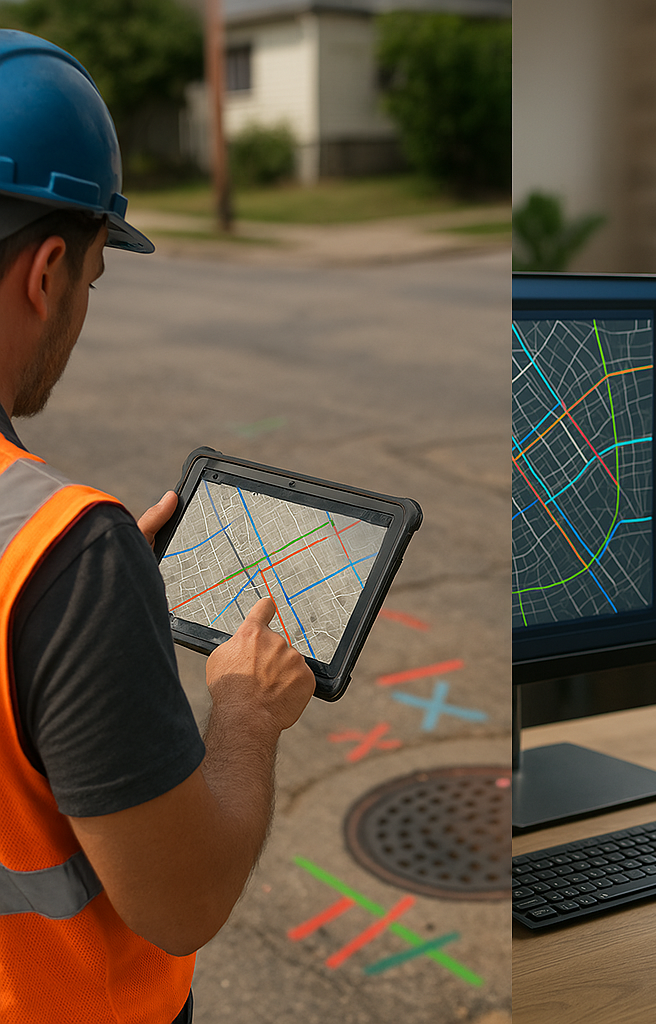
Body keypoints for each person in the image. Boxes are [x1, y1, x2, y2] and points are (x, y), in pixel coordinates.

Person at [0, 30, 315, 1023]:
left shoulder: (63, 566)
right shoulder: (65, 557)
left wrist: (67, 641)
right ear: (47, 271)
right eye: (94, 276)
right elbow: (183, 899)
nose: (81, 306)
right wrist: (247, 714)